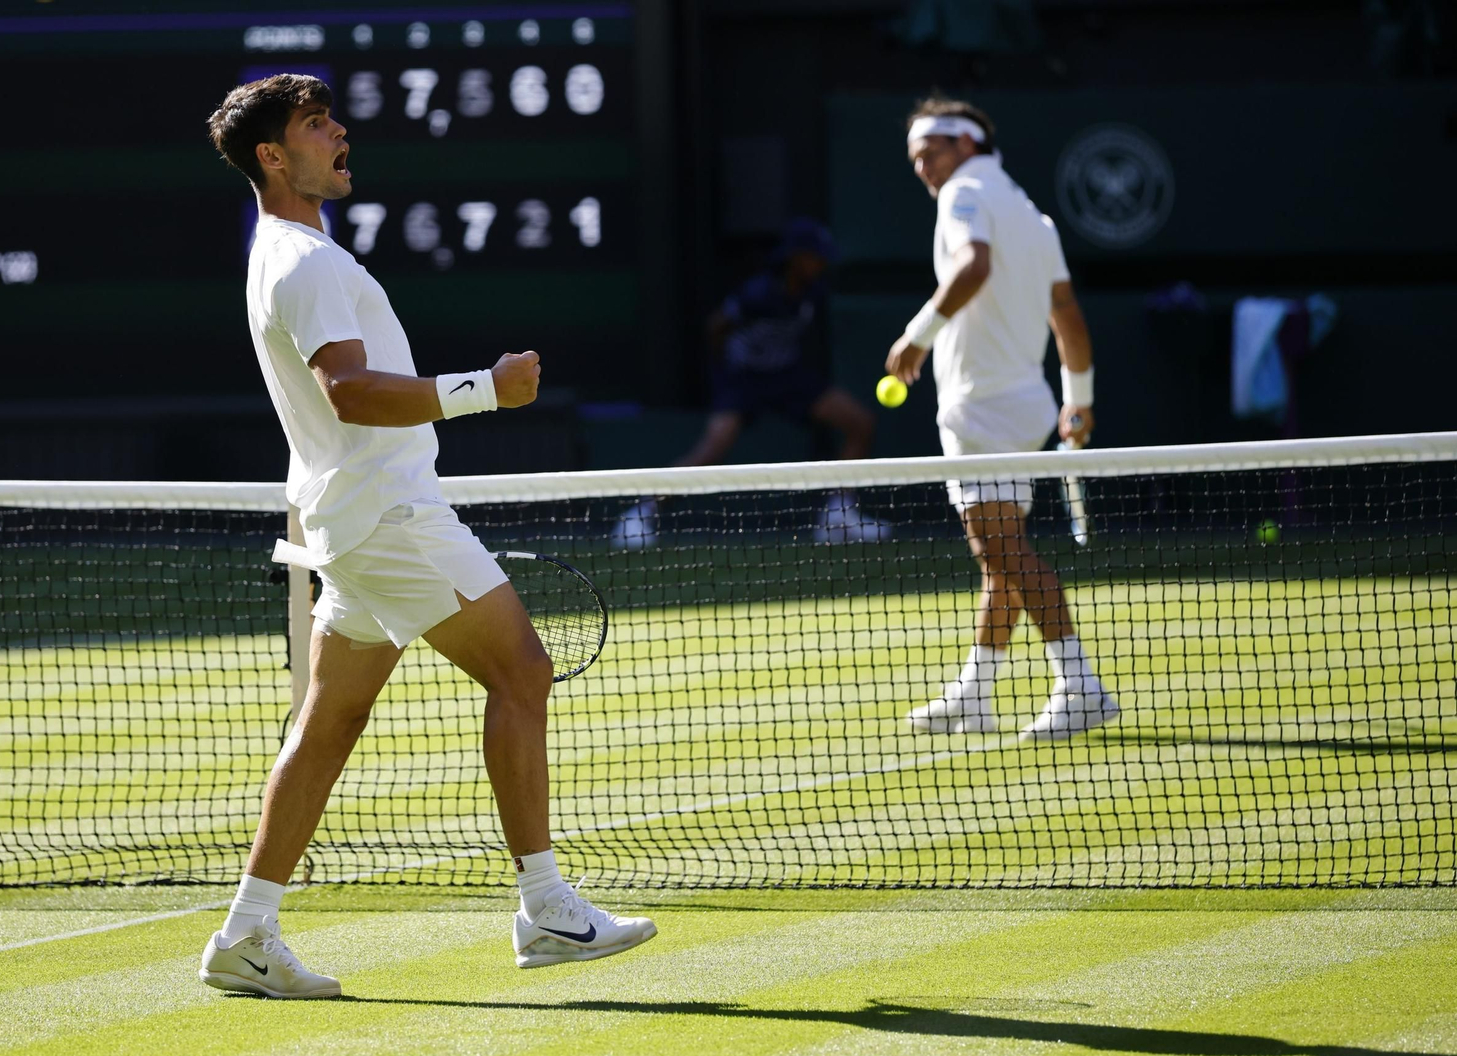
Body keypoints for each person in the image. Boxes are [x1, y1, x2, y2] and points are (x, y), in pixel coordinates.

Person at [200, 74, 654, 999]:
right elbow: (351, 394)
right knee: (523, 672)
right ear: (273, 158)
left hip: (356, 519)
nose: (340, 135)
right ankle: (546, 908)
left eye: (332, 119)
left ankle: (246, 933)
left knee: (328, 724)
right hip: (389, 519)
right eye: (315, 126)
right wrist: (484, 387)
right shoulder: (306, 263)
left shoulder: (287, 254)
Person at [886, 95, 1120, 742]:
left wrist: (918, 334)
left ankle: (1080, 685)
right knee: (999, 558)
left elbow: (974, 264)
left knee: (1001, 548)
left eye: (929, 151)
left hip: (980, 406)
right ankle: (975, 692)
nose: (921, 167)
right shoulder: (1032, 216)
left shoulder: (963, 196)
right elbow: (1066, 313)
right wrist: (1081, 398)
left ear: (965, 144)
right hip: (1027, 405)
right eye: (914, 158)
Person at [612, 219, 889, 547]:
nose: (821, 263)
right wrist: (728, 371)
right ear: (796, 257)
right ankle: (640, 514)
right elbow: (716, 327)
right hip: (743, 381)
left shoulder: (813, 291)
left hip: (787, 376)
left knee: (860, 423)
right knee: (710, 451)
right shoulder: (758, 293)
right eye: (815, 256)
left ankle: (839, 515)